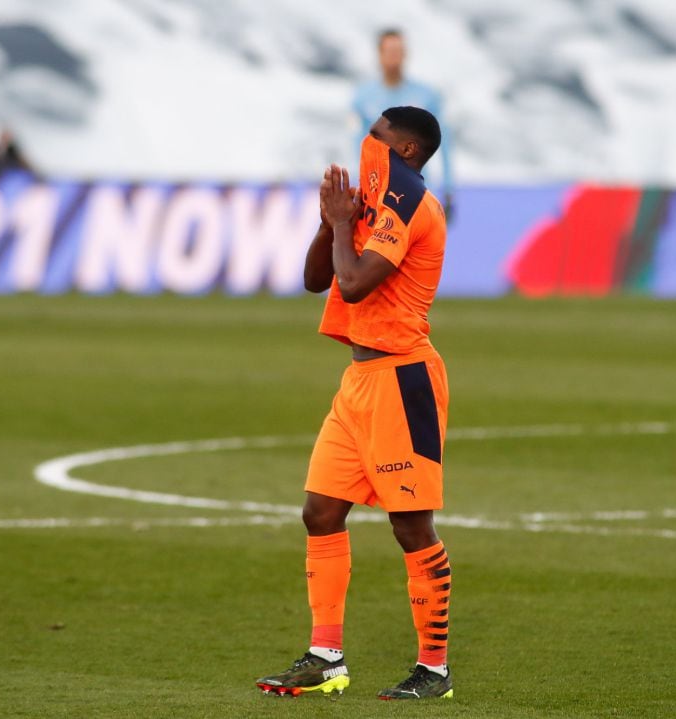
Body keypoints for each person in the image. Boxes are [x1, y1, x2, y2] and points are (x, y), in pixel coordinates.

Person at [254, 106, 453, 701]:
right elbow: (318, 278)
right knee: (320, 511)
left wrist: (345, 225)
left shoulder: (413, 205)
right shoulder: (379, 201)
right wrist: (327, 223)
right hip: (359, 381)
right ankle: (325, 657)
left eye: (379, 139)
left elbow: (355, 283)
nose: (367, 147)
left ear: (408, 151)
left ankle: (435, 670)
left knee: (411, 526)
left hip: (404, 381)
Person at [353, 29, 453, 220]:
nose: (394, 57)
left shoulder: (426, 96)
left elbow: (445, 144)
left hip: (416, 194)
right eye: (389, 51)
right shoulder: (363, 97)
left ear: (406, 54)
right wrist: (357, 190)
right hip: (376, 196)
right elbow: (356, 145)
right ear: (379, 55)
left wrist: (448, 190)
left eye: (398, 51)